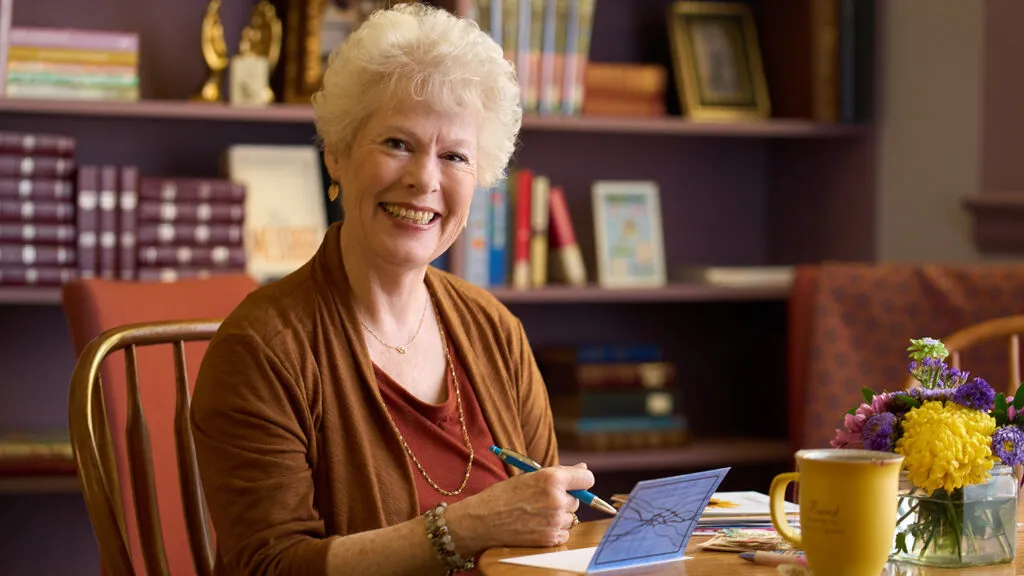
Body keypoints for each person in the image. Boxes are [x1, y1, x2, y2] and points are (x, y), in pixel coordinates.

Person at [189, 3, 596, 575]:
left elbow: (550, 533)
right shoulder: (262, 348)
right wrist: (467, 527)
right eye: (397, 143)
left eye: (454, 156)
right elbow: (269, 566)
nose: (424, 179)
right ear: (336, 153)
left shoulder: (495, 329)